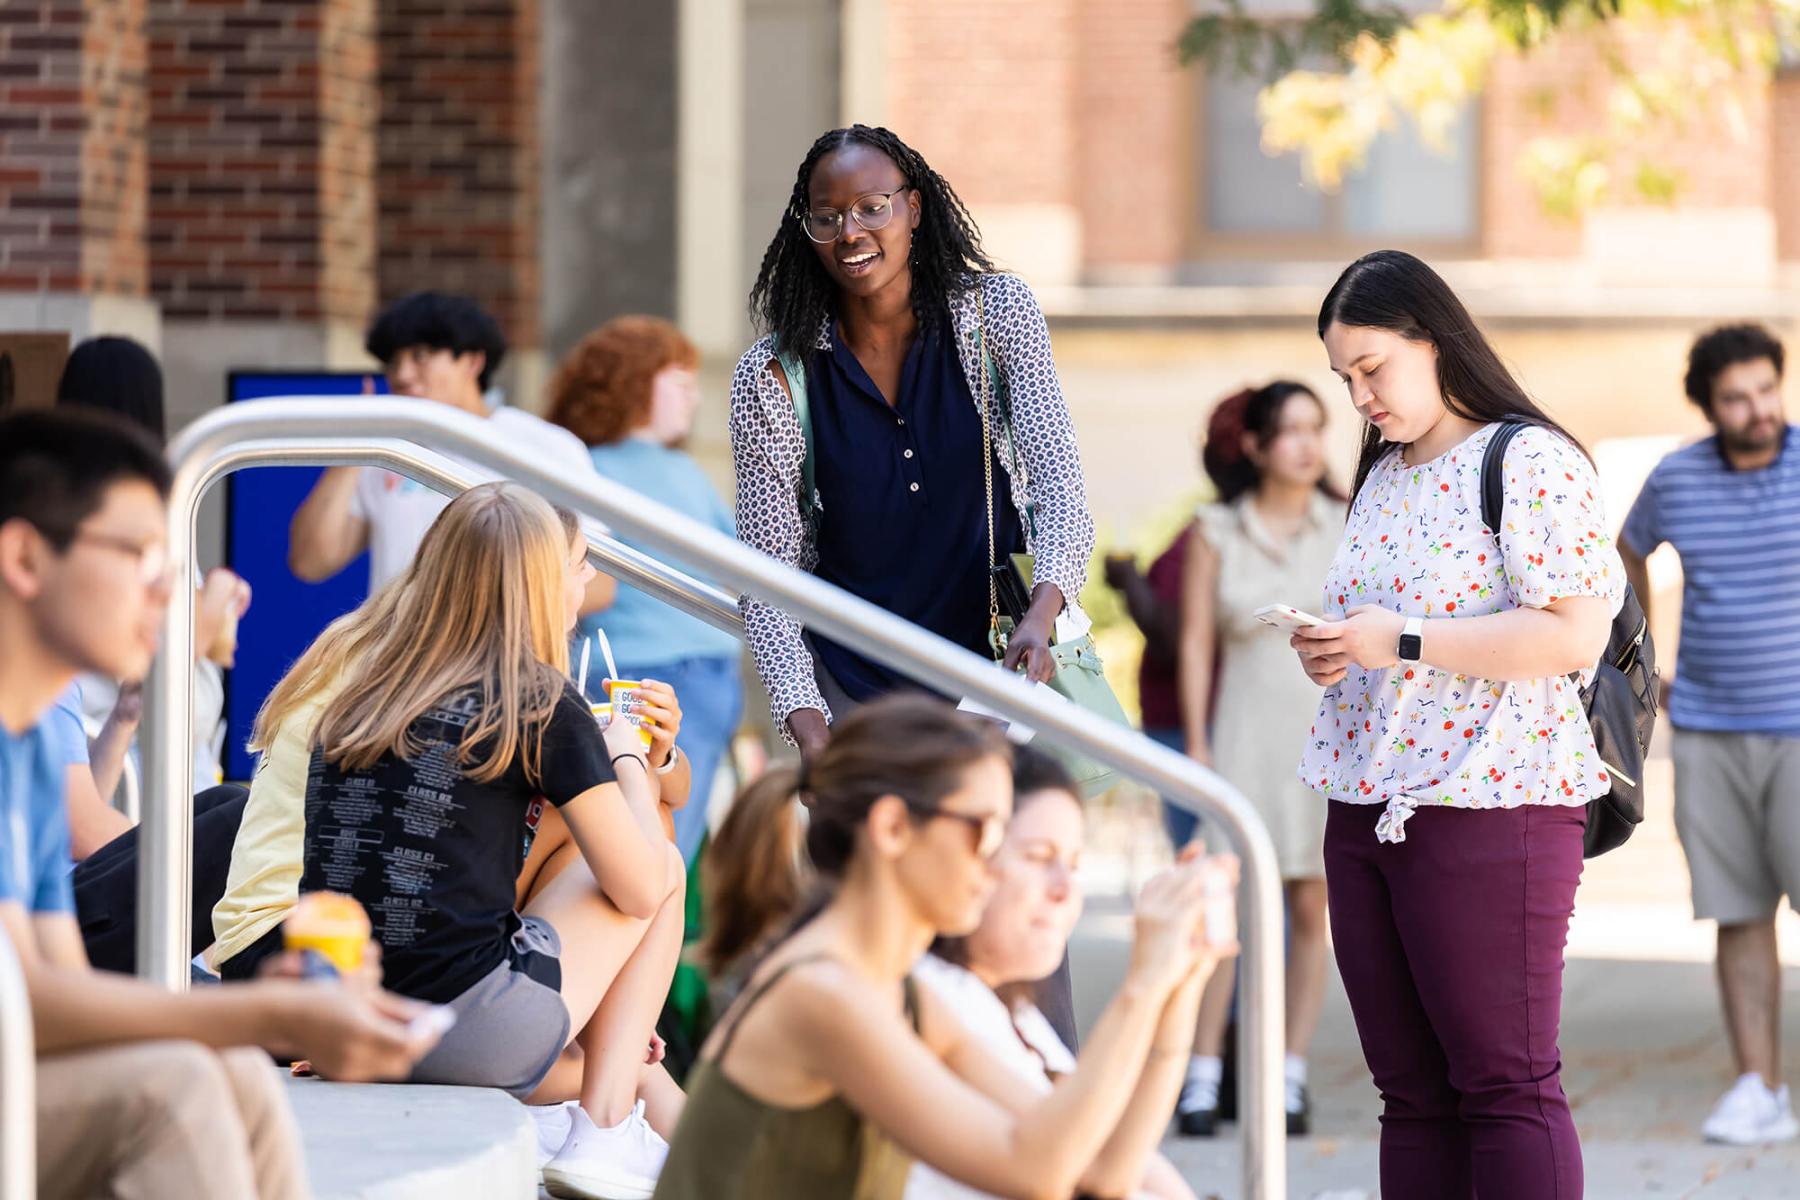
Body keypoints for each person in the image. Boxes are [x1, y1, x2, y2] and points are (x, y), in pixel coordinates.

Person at [0, 408, 440, 1200]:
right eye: (140, 558)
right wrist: (266, 1014)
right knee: (177, 1092)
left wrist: (261, 1017)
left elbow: (57, 982)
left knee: (228, 1069)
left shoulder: (28, 740)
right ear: (25, 556)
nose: (171, 595)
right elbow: (31, 1002)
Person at [1290, 250, 1624, 1200]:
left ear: (1435, 342)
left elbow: (1571, 634)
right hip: (1365, 804)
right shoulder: (1384, 476)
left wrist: (1393, 640)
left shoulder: (1528, 460)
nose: (1359, 397)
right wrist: (1336, 649)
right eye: (1343, 378)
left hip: (1494, 801)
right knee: (1409, 1092)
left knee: (1505, 1082)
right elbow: (1390, 638)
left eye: (1371, 370)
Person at [653, 694, 1237, 1200]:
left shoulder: (893, 990)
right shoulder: (824, 991)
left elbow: (1098, 1168)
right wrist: (1141, 986)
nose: (993, 857)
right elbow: (1037, 1170)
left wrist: (1178, 980)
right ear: (892, 830)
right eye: (983, 828)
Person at [296, 481, 690, 1199]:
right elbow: (639, 886)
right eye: (578, 567)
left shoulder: (362, 694)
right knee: (659, 859)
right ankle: (603, 1134)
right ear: (539, 584)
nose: (589, 584)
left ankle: (608, 1100)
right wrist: (628, 756)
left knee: (585, 855)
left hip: (344, 1025)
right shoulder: (536, 698)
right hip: (468, 1036)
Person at [730, 124, 1096, 762]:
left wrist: (1042, 616)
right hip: (855, 694)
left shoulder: (996, 316)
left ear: (914, 207)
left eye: (872, 208)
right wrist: (814, 737)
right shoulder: (772, 378)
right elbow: (768, 580)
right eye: (827, 217)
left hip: (998, 674)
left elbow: (1060, 492)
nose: (850, 233)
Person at [1618, 323, 1800, 1145]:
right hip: (1710, 731)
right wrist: (1643, 658)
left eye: (1768, 389)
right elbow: (1627, 551)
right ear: (1709, 405)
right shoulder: (1679, 476)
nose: (1758, 409)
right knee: (1737, 912)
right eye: (1737, 397)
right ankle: (1758, 1088)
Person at [1164, 381, 1344, 1137]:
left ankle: (1288, 1074)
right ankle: (1202, 1077)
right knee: (1225, 912)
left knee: (1310, 907)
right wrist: (1198, 750)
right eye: (1291, 431)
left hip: (1323, 740)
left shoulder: (1346, 523)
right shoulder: (1215, 529)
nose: (1308, 445)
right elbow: (1196, 641)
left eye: (1317, 428)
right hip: (1240, 739)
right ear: (1256, 445)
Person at [905, 745, 1200, 1200]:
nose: (1066, 889)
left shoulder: (1013, 1012)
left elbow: (1131, 1162)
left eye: (1075, 865)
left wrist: (1186, 975)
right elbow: (1101, 1175)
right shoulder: (930, 995)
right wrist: (1146, 982)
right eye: (1040, 858)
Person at [53, 334, 253, 973]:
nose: (159, 595)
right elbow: (84, 833)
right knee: (233, 821)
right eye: (136, 567)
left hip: (66, 924)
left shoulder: (50, 688)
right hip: (68, 935)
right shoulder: (27, 679)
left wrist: (124, 719)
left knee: (231, 809)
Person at [548, 316, 744, 862]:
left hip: (604, 670)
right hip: (678, 680)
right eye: (678, 382)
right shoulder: (668, 471)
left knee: (602, 842)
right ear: (632, 382)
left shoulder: (577, 462)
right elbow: (744, 567)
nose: (693, 399)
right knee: (665, 843)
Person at [287, 291, 613, 618]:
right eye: (392, 362)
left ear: (473, 361)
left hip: (505, 660)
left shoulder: (544, 446)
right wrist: (352, 448)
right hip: (398, 659)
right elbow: (310, 562)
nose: (402, 375)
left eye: (421, 355)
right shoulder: (385, 451)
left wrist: (489, 619)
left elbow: (600, 581)